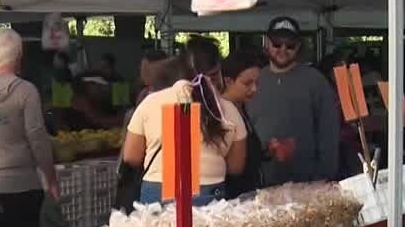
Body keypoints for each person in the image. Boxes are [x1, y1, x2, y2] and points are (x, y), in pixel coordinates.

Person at [122, 36, 247, 206]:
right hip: (209, 194)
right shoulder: (229, 109)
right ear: (217, 71)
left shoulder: (152, 102)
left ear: (179, 67)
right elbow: (236, 167)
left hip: (159, 191)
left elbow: (131, 157)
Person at [0, 29, 60, 227]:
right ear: (19, 55)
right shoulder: (26, 91)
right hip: (24, 184)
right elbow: (37, 138)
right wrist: (50, 178)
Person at [247, 17, 340, 185]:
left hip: (306, 185)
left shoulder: (316, 80)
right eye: (277, 44)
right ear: (267, 43)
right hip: (259, 184)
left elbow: (329, 132)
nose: (283, 49)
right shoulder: (254, 80)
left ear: (298, 46)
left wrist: (323, 177)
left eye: (290, 45)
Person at [220, 49, 268, 197]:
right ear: (228, 81)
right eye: (247, 83)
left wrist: (267, 152)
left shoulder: (242, 107)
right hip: (230, 198)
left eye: (256, 83)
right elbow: (233, 167)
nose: (254, 89)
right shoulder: (221, 114)